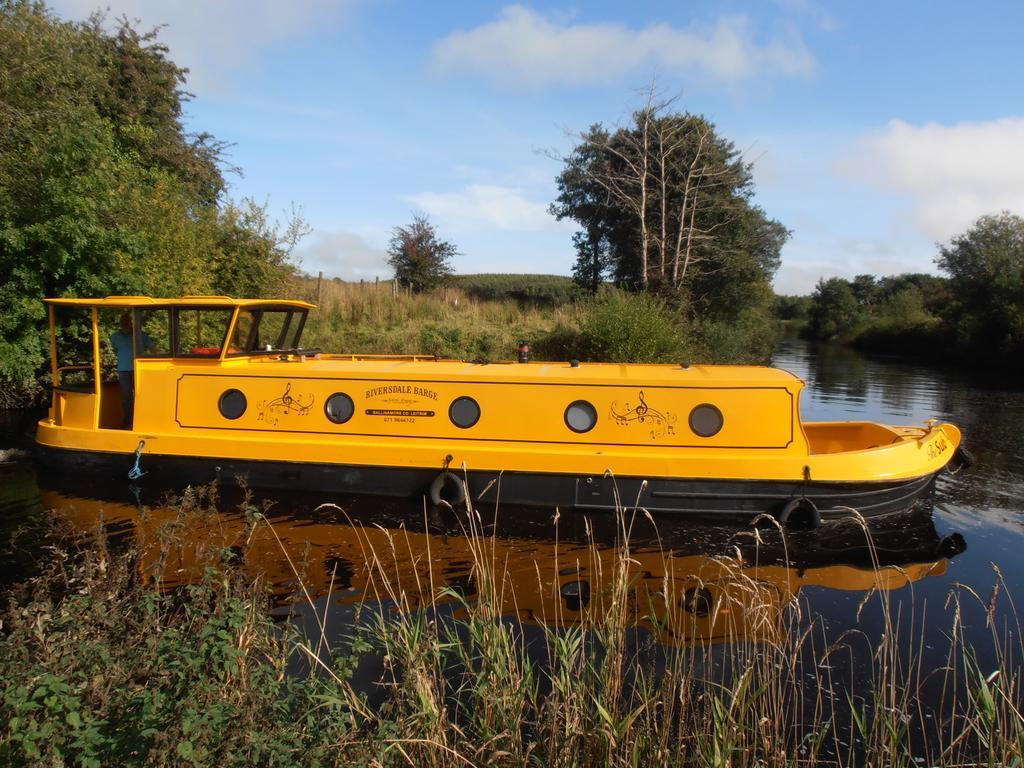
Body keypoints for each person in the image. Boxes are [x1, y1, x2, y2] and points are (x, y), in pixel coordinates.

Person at [110, 313, 151, 429]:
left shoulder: (141, 335)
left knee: (141, 395)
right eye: (123, 322)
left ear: (132, 323)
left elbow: (153, 348)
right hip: (123, 370)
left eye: (127, 322)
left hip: (139, 369)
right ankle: (128, 422)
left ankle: (143, 421)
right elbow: (114, 348)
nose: (125, 324)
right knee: (127, 397)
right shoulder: (115, 336)